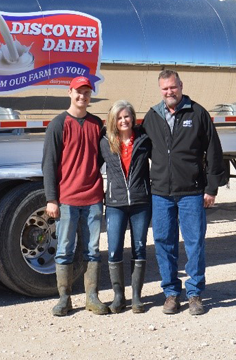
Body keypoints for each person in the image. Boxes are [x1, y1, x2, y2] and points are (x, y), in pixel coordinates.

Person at [142, 69, 225, 316]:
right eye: (165, 89)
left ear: (180, 85)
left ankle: (195, 293)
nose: (170, 92)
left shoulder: (197, 113)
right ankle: (170, 294)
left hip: (191, 192)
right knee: (164, 244)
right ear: (161, 90)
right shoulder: (152, 116)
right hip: (160, 193)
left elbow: (214, 152)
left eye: (173, 87)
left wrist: (211, 188)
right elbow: (138, 149)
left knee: (194, 244)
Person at [42, 76, 109, 316]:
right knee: (64, 250)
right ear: (70, 92)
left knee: (92, 250)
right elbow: (49, 164)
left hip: (92, 198)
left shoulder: (96, 124)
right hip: (67, 199)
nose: (83, 96)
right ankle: (64, 298)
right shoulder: (58, 124)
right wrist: (52, 198)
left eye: (87, 93)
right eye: (79, 92)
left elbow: (103, 157)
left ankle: (92, 297)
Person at [99, 100, 152, 313]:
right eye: (119, 118)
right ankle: (119, 296)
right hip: (115, 203)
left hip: (140, 202)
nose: (123, 121)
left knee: (139, 248)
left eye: (127, 116)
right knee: (114, 250)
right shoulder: (105, 143)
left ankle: (137, 297)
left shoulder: (144, 141)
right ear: (113, 120)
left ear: (133, 118)